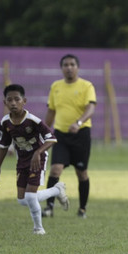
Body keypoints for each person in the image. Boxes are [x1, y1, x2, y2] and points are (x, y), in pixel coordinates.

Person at [0, 84, 70, 234]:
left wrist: (38, 152)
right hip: (22, 160)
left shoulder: (33, 120)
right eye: (10, 100)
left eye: (17, 99)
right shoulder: (5, 123)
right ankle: (56, 190)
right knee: (22, 200)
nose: (13, 103)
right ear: (5, 103)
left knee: (30, 196)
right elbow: (3, 145)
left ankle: (38, 229)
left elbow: (52, 139)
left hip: (38, 158)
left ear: (24, 101)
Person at [42, 54, 96, 219]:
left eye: (72, 64)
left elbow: (91, 108)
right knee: (55, 169)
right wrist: (43, 131)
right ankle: (49, 207)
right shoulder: (56, 86)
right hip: (60, 135)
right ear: (62, 68)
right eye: (65, 65)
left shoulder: (86, 86)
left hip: (81, 135)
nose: (69, 67)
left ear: (77, 67)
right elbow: (51, 111)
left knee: (81, 173)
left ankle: (82, 209)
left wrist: (78, 123)